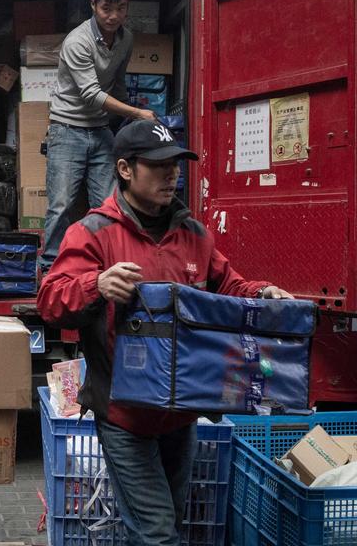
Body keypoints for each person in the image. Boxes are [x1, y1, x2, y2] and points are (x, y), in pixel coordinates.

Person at [37, 120, 293, 546]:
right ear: (124, 169)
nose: (171, 175)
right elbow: (50, 300)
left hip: (181, 411)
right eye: (157, 166)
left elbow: (226, 286)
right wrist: (96, 285)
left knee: (168, 522)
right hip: (124, 414)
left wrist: (262, 292)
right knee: (157, 533)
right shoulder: (93, 232)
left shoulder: (192, 233)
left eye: (175, 165)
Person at [39, 0, 158, 274]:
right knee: (62, 205)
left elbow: (117, 85)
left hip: (101, 131)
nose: (114, 16)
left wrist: (126, 125)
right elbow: (92, 94)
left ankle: (105, 267)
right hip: (67, 130)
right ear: (93, 4)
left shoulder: (126, 38)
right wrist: (137, 114)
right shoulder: (78, 41)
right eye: (107, 8)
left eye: (121, 8)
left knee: (110, 204)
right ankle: (51, 271)